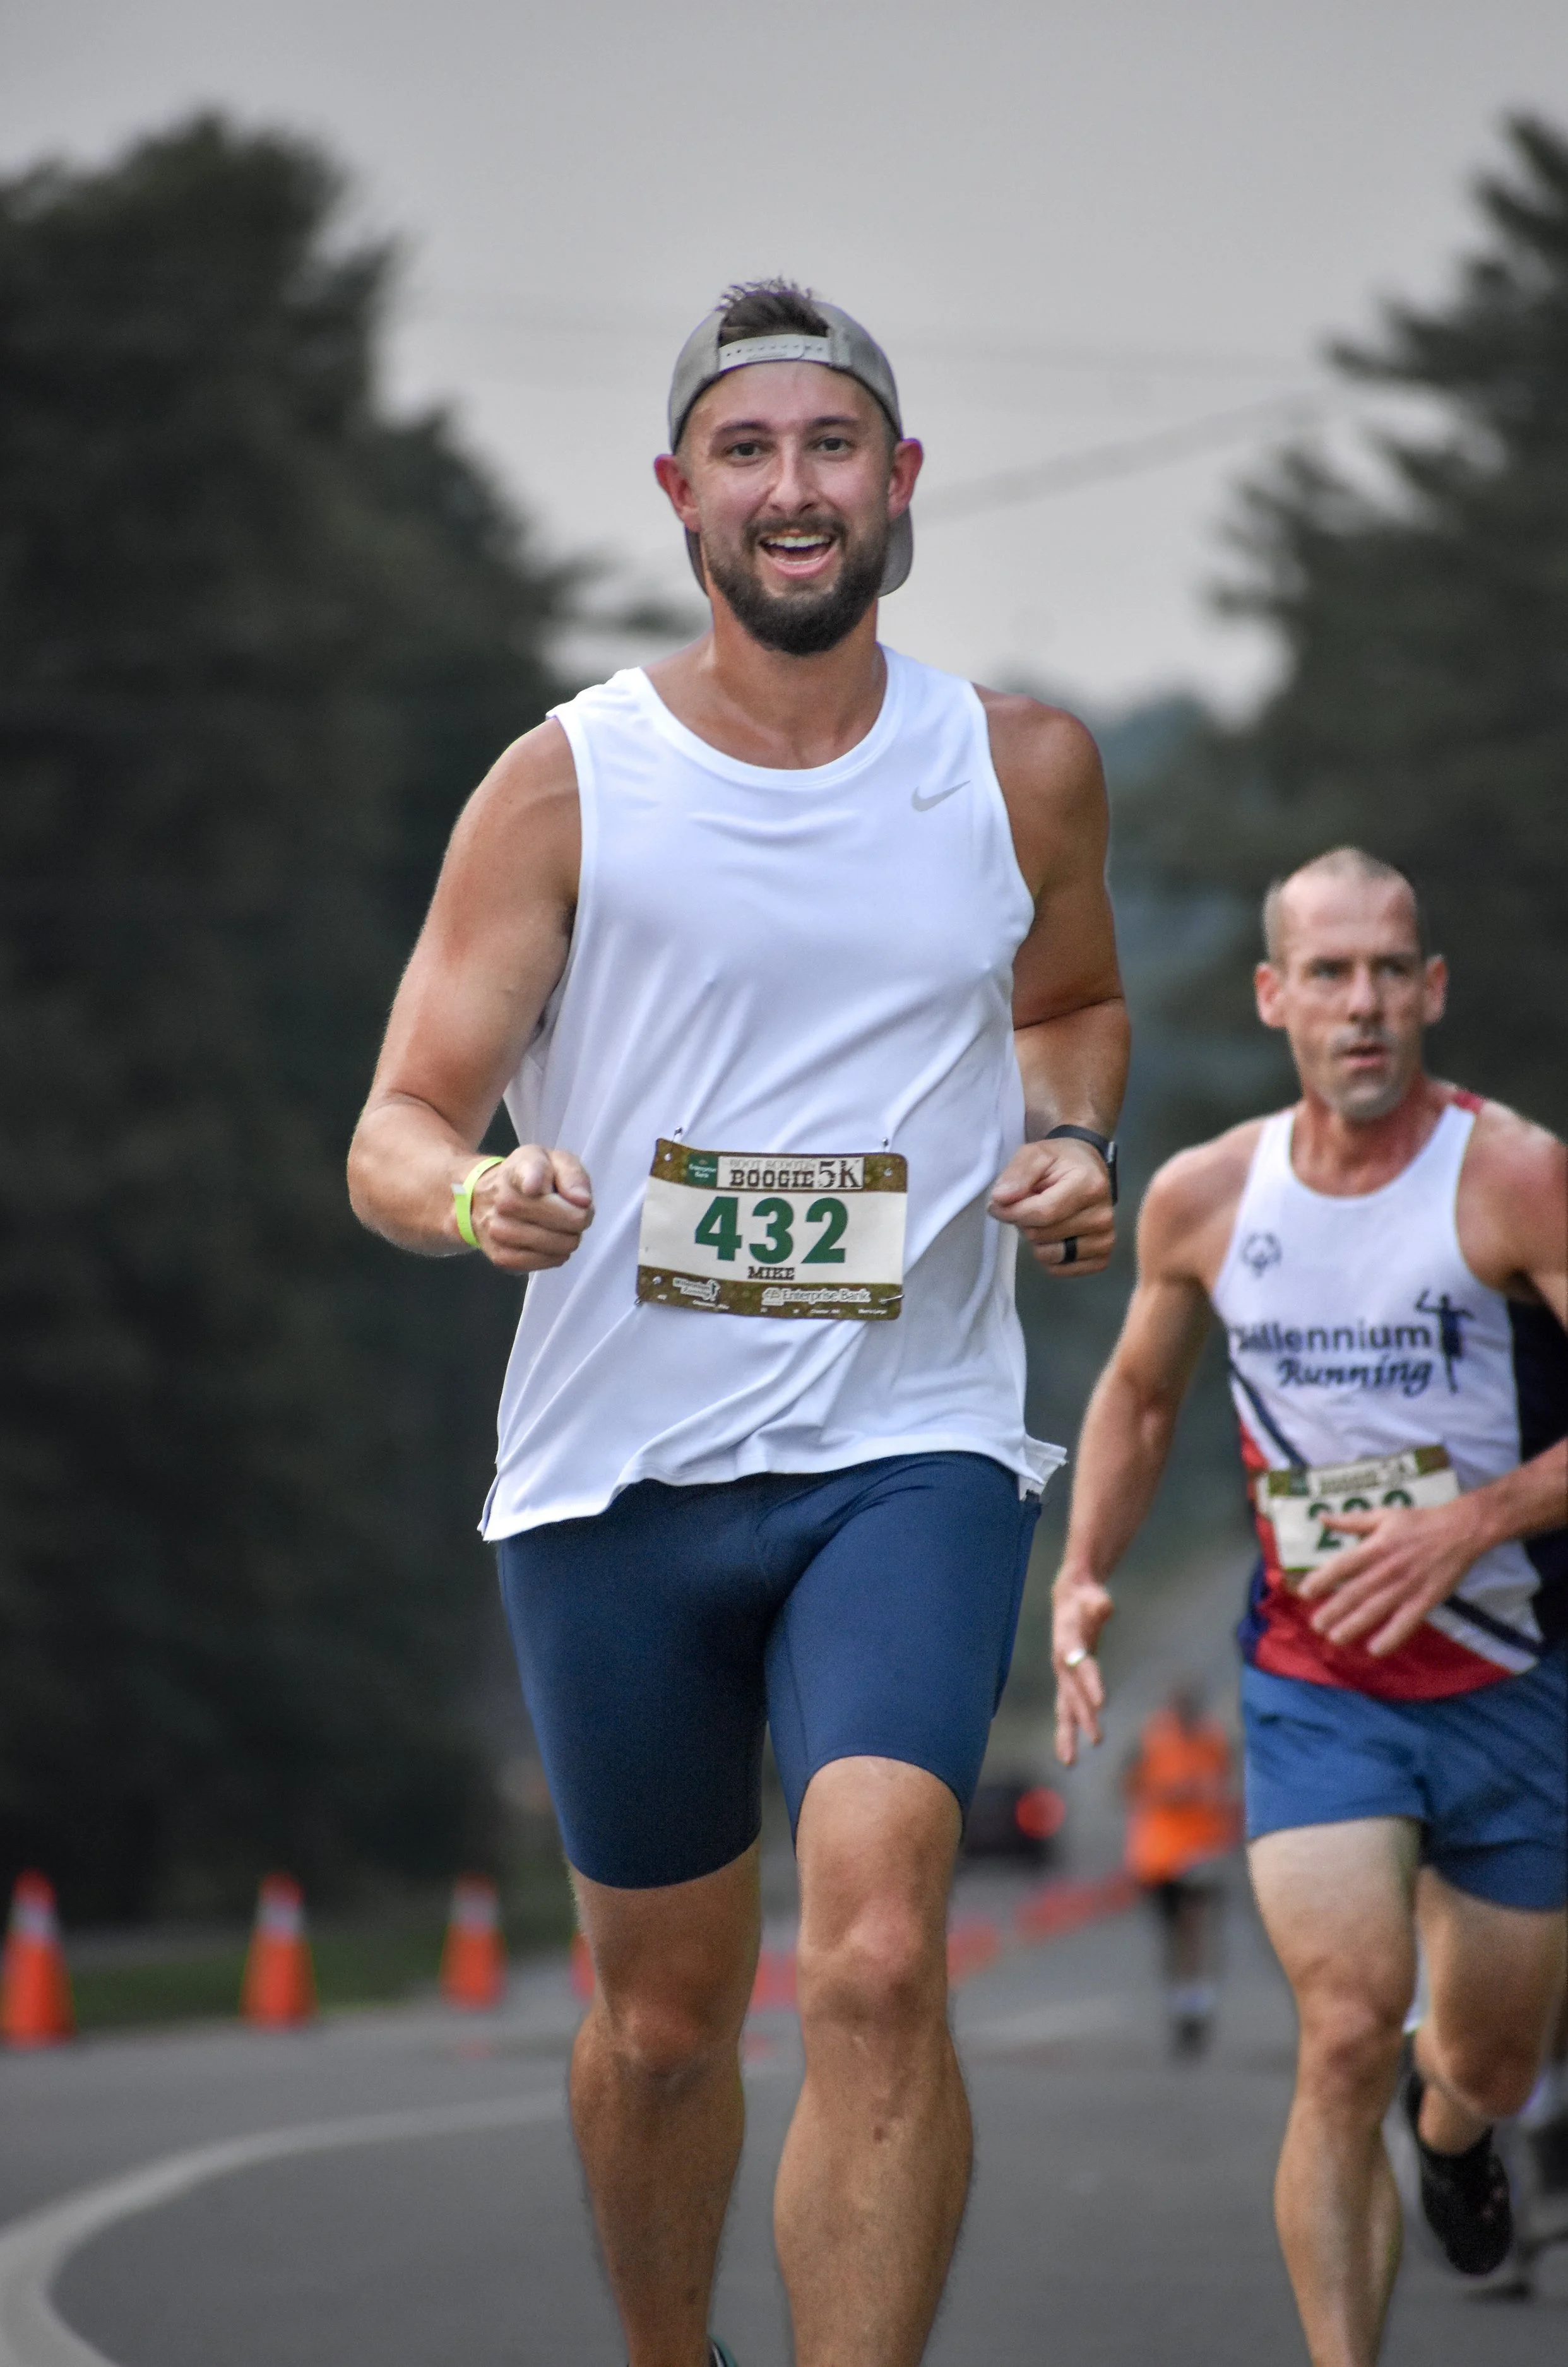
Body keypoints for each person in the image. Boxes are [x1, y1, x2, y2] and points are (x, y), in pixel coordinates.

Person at [349, 280, 1127, 2367]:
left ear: (902, 483)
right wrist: (473, 1190)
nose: (798, 493)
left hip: (913, 1442)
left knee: (876, 1950)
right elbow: (396, 1128)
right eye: (754, 454)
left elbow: (1070, 1008)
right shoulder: (564, 783)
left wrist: (1072, 1141)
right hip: (618, 1470)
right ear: (685, 492)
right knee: (666, 2025)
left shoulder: (1024, 766)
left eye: (836, 449)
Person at [1050, 848, 1567, 2367]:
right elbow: (1140, 1399)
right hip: (1316, 1678)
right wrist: (1086, 1568)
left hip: (1508, 1674)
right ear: (1276, 995)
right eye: (1329, 972)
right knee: (1344, 2024)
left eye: (1389, 970)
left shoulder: (1516, 1174)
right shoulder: (1212, 1194)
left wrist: (1473, 1518)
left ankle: (1456, 2125)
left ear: (1431, 990)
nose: (1363, 1003)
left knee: (1486, 2049)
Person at [1121, 1678, 1238, 2056]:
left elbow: (1230, 1784)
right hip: (1158, 1856)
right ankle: (1181, 2003)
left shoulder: (1215, 1740)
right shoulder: (1150, 1738)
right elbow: (1124, 1786)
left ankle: (1196, 2005)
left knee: (1196, 1928)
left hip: (1202, 1850)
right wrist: (1165, 1793)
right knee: (1173, 1936)